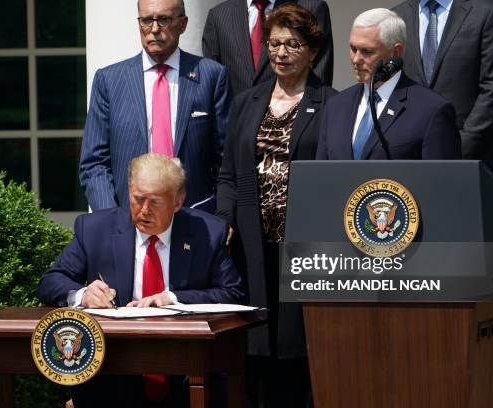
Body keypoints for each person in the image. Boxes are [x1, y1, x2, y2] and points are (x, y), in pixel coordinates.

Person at [38, 153, 244, 407]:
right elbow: (51, 281)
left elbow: (233, 292)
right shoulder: (95, 229)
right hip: (114, 371)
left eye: (155, 202)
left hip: (185, 371)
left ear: (178, 201)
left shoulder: (207, 232)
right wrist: (83, 294)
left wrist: (173, 299)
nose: (144, 210)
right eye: (137, 199)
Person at [216, 4, 337, 406]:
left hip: (302, 241)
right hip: (251, 238)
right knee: (254, 339)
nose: (281, 53)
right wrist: (225, 218)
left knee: (294, 342)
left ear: (313, 51)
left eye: (292, 45)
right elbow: (229, 172)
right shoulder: (247, 101)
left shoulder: (332, 102)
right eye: (275, 43)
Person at [79, 0, 231, 213]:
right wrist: (110, 219)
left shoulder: (211, 76)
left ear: (183, 24)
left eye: (164, 19)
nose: (155, 29)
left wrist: (222, 215)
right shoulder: (110, 80)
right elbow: (94, 164)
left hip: (195, 221)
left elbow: (226, 159)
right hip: (129, 221)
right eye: (147, 20)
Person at [315, 8, 461, 160]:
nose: (356, 59)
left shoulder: (431, 110)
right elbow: (321, 175)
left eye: (367, 51)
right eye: (353, 49)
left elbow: (441, 179)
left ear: (396, 52)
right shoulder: (336, 106)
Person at [392, 0, 493, 184]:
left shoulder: (487, 12)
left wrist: (455, 149)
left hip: (473, 162)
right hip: (411, 168)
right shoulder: (395, 17)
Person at [202, 0, 334, 96]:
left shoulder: (311, 7)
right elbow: (213, 84)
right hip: (235, 127)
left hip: (295, 123)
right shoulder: (218, 16)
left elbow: (320, 75)